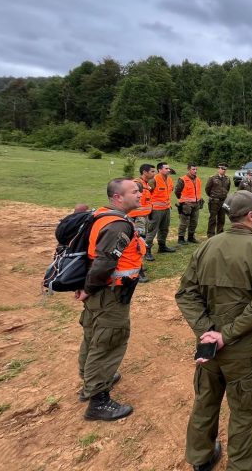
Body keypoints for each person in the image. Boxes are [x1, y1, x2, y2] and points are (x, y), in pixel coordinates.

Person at [175, 191, 252, 471]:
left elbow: (185, 294)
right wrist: (224, 335)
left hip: (209, 347)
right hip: (243, 350)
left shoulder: (206, 247)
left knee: (205, 401)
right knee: (244, 410)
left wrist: (207, 332)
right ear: (251, 215)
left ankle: (201, 458)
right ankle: (242, 466)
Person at [76, 178, 145, 421]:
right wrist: (88, 287)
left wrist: (87, 287)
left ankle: (90, 381)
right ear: (118, 197)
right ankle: (98, 400)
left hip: (99, 291)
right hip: (109, 293)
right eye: (134, 191)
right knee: (108, 342)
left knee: (93, 335)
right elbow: (105, 262)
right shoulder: (118, 226)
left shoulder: (102, 215)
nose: (139, 194)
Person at [146, 162, 176, 255]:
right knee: (152, 230)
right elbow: (147, 193)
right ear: (160, 170)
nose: (168, 170)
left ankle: (162, 246)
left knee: (164, 229)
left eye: (169, 168)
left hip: (166, 208)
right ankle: (147, 250)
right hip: (156, 210)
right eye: (166, 168)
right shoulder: (153, 180)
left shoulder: (170, 180)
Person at [128, 163, 154, 267]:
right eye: (152, 171)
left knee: (141, 241)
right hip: (137, 218)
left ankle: (139, 266)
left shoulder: (146, 184)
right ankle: (138, 268)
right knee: (138, 242)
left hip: (144, 217)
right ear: (144, 172)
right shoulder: (136, 184)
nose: (154, 173)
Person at [175, 163, 203, 245]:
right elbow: (177, 191)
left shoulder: (198, 179)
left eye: (196, 169)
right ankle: (181, 238)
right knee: (184, 222)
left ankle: (191, 237)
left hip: (196, 203)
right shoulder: (182, 179)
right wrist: (182, 200)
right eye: (193, 169)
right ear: (188, 170)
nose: (195, 171)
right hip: (186, 204)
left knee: (194, 221)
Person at [206, 163, 231, 238]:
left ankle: (220, 233)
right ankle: (211, 234)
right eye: (222, 169)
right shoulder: (212, 178)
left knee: (222, 218)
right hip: (214, 201)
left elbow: (227, 189)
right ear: (219, 169)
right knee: (212, 218)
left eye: (225, 169)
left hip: (223, 201)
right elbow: (207, 189)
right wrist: (213, 196)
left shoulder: (227, 179)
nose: (224, 170)